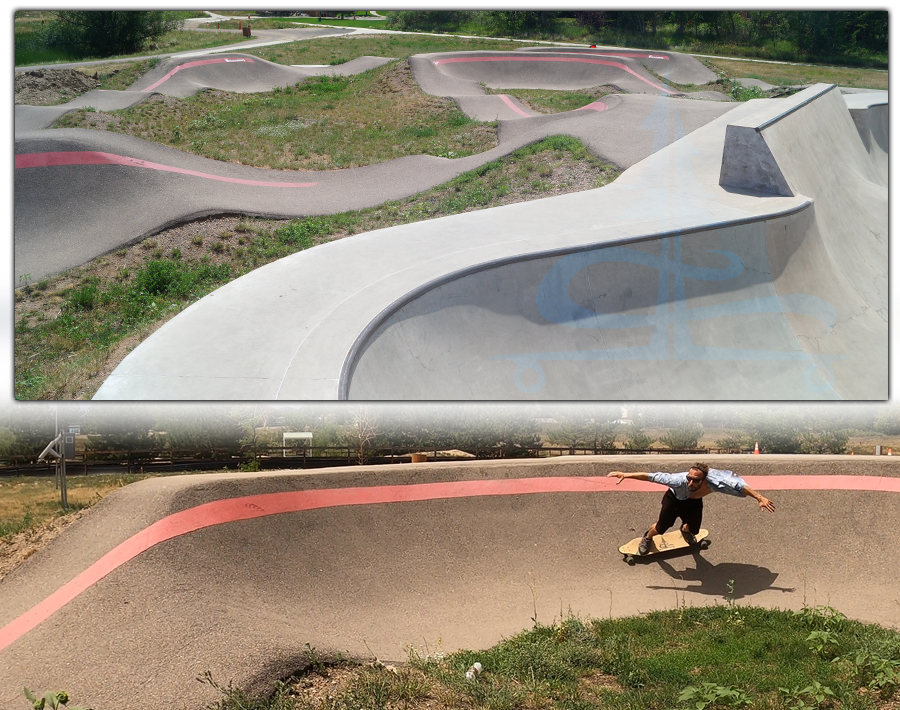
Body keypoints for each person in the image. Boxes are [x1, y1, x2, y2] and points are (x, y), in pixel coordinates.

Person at [607, 463, 775, 555]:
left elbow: (739, 485)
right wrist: (626, 474)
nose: (691, 483)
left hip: (693, 503)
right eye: (689, 479)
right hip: (673, 501)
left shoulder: (715, 481)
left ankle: (685, 529)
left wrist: (759, 498)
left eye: (696, 480)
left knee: (693, 530)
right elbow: (650, 476)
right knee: (661, 528)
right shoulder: (677, 481)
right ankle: (647, 537)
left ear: (704, 480)